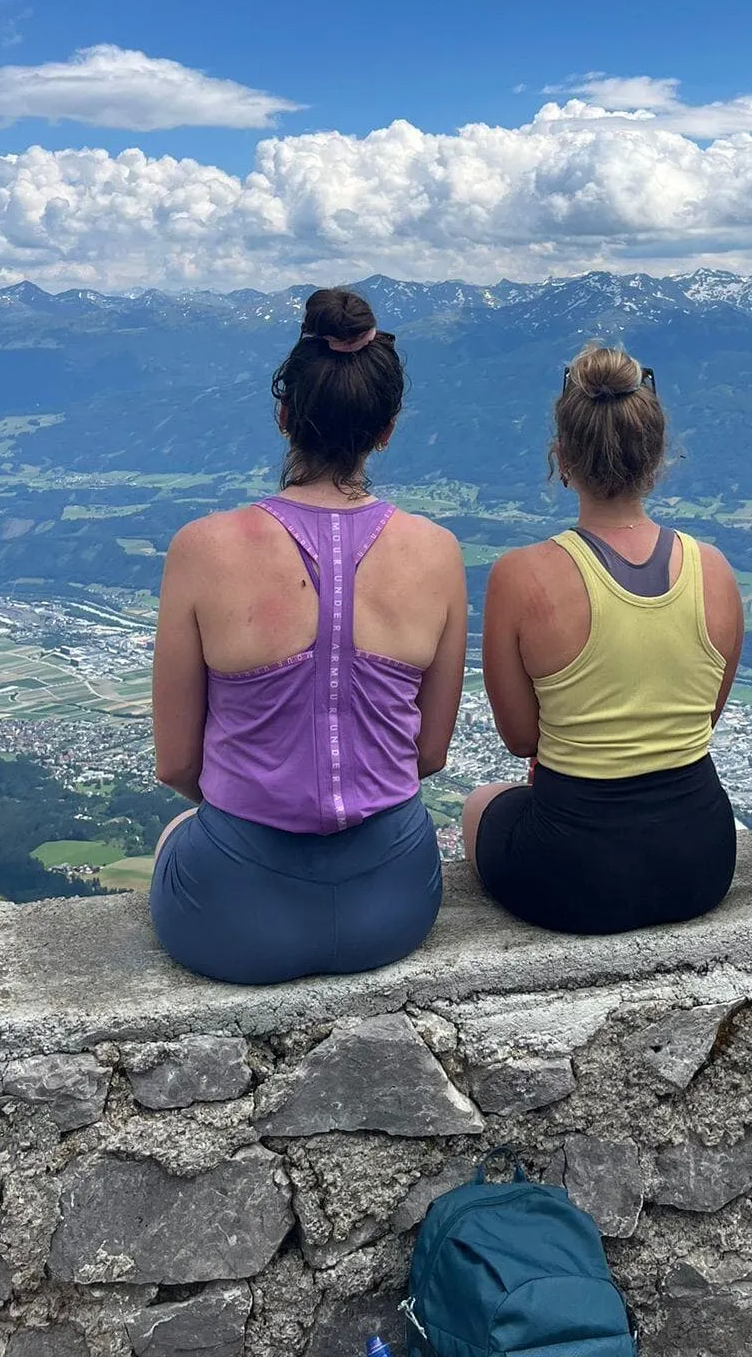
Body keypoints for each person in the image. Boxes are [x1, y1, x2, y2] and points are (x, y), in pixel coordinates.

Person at [148, 287, 467, 984]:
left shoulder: (202, 549)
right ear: (386, 430)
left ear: (285, 416)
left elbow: (175, 764)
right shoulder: (438, 552)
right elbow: (430, 753)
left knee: (175, 836)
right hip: (395, 904)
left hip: (234, 916)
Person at [464, 344, 744, 934]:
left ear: (561, 459)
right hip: (703, 861)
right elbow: (703, 720)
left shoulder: (521, 575)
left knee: (478, 805)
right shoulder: (713, 569)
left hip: (575, 875)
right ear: (656, 456)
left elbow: (521, 739)